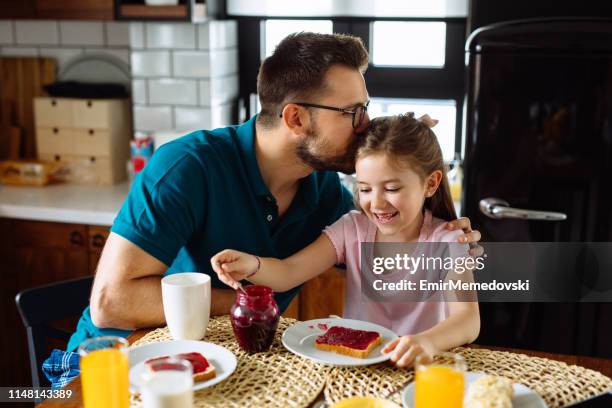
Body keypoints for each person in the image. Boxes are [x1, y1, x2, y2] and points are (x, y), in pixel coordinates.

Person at [43, 32, 480, 387]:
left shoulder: (325, 188)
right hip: (114, 367)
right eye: (353, 112)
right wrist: (251, 307)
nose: (365, 124)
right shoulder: (187, 167)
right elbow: (110, 303)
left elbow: (378, 250)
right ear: (295, 119)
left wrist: (432, 219)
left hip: (231, 365)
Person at [211, 114, 480, 368]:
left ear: (430, 184)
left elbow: (467, 320)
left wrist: (426, 342)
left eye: (392, 188)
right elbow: (288, 272)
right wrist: (251, 265)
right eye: (365, 188)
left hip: (423, 368)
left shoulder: (447, 241)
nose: (376, 203)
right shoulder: (352, 229)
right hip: (358, 369)